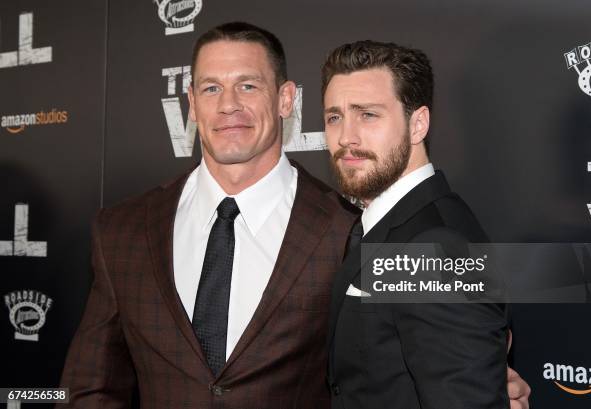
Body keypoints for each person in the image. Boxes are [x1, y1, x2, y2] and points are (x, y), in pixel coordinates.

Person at [58, 22, 529, 408]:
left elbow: (418, 359)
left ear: (286, 99)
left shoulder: (351, 228)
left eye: (248, 84)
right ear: (191, 103)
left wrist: (484, 382)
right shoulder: (121, 231)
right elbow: (90, 388)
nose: (229, 105)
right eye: (210, 87)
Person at [323, 40, 518, 408]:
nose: (346, 137)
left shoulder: (435, 246)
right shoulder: (383, 223)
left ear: (418, 124)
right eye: (335, 117)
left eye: (368, 115)